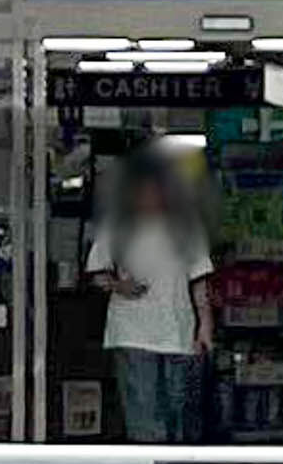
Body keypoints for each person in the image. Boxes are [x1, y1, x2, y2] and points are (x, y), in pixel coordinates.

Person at [85, 146, 214, 444]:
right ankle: (151, 463)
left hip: (177, 329)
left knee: (177, 407)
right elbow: (97, 275)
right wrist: (120, 286)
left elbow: (199, 280)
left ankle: (173, 462)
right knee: (144, 408)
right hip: (132, 332)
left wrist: (205, 326)